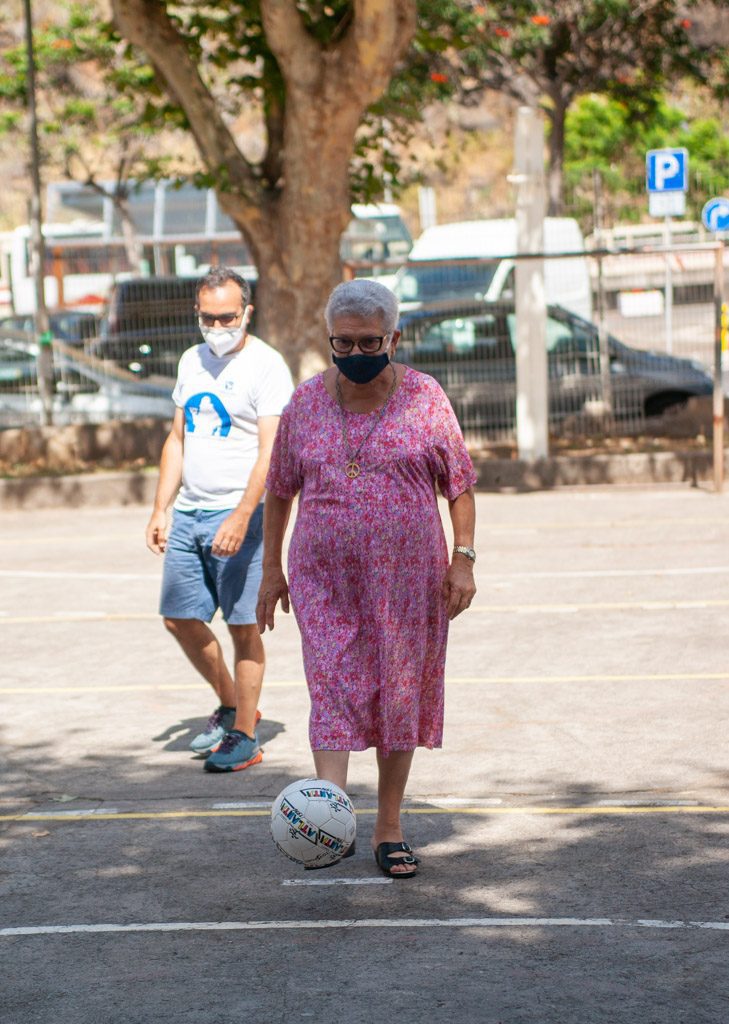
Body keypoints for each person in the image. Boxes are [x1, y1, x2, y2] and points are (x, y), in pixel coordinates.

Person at [256, 278, 477, 877]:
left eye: (368, 342)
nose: (356, 354)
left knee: (399, 692)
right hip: (322, 578)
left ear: (394, 337)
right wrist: (271, 568)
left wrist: (465, 558)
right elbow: (279, 491)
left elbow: (459, 484)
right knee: (331, 685)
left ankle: (388, 826)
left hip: (409, 580)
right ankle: (331, 820)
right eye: (343, 343)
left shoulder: (425, 398)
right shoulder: (304, 403)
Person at [146, 266, 293, 772]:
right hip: (190, 512)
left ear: (247, 311)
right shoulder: (191, 361)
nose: (217, 326)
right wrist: (161, 507)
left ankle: (246, 736)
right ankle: (231, 704)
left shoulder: (267, 366)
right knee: (179, 618)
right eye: (208, 318)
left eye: (227, 317)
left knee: (242, 628)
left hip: (242, 518)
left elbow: (272, 452)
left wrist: (242, 514)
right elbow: (178, 439)